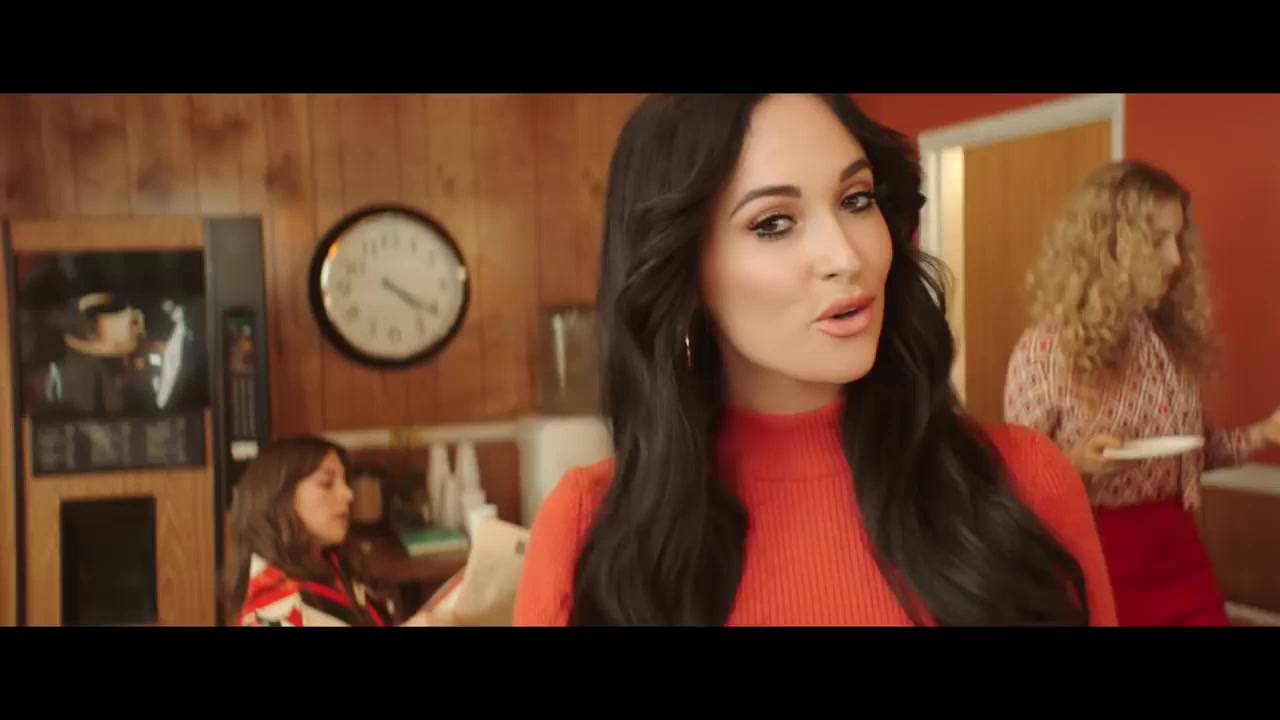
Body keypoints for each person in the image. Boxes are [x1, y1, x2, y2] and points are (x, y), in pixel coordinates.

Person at [512, 93, 1118, 626]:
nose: (846, 256)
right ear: (684, 271)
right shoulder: (588, 531)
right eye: (774, 223)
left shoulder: (1025, 482)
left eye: (856, 199)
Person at [1004, 160, 1280, 626]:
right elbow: (1017, 479)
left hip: (1180, 552)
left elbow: (1193, 453)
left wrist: (1265, 432)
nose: (1176, 258)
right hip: (1093, 561)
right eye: (1157, 240)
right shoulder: (1045, 350)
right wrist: (1074, 463)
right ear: (1110, 244)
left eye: (1178, 238)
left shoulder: (1172, 342)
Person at [224, 435, 438, 627]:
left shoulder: (331, 564)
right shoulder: (274, 609)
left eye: (345, 482)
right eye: (327, 483)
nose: (348, 494)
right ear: (280, 499)